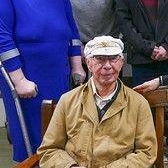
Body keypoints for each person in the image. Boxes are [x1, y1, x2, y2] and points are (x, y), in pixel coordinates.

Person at [0, 0, 86, 162]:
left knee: (60, 124)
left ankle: (58, 163)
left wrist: (77, 66)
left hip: (57, 69)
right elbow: (2, 40)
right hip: (23, 71)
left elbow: (71, 31)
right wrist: (20, 81)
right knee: (31, 130)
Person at [38, 36, 157, 167]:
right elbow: (49, 150)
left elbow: (146, 153)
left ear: (121, 62)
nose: (107, 66)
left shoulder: (138, 104)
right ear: (88, 63)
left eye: (113, 59)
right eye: (100, 59)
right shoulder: (68, 100)